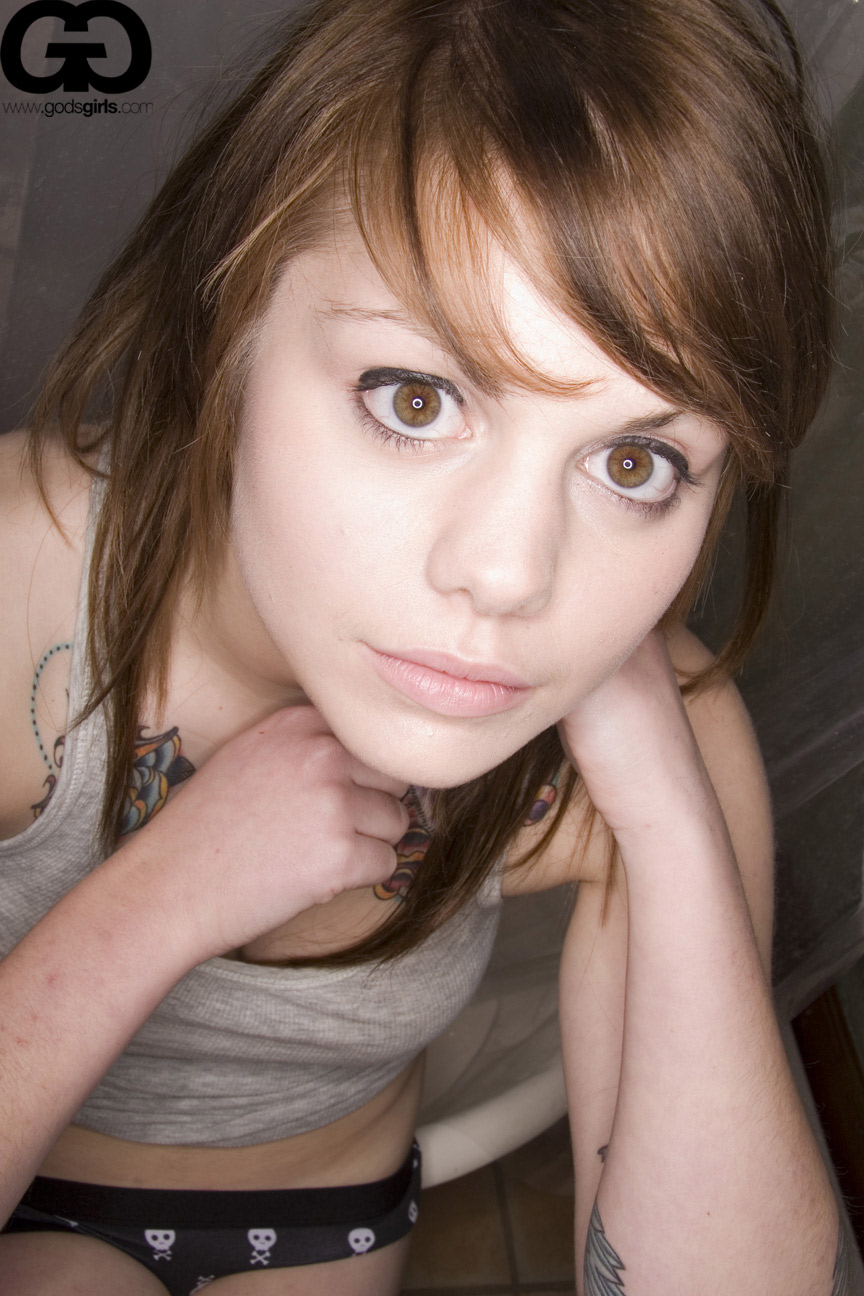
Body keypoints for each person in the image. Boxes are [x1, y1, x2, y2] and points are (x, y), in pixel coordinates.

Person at [0, 0, 852, 1291]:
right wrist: (158, 902)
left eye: (635, 463)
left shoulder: (657, 734)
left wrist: (673, 830)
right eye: (415, 398)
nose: (509, 576)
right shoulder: (26, 578)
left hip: (330, 1214)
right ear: (232, 325)